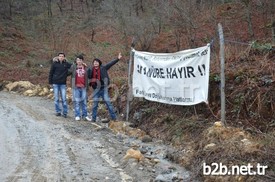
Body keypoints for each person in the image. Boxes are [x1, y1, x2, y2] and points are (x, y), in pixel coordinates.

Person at [88, 53, 122, 122]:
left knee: (108, 103)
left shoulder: (103, 68)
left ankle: (114, 118)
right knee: (95, 105)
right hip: (96, 90)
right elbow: (88, 76)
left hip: (103, 89)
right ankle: (93, 119)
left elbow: (110, 64)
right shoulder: (91, 70)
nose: (95, 63)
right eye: (94, 62)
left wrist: (117, 59)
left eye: (97, 62)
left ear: (99, 63)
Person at [48, 52, 72, 118]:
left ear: (64, 57)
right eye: (60, 56)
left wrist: (67, 74)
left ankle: (65, 112)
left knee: (64, 99)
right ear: (58, 57)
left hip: (63, 84)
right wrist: (50, 82)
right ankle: (58, 111)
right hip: (55, 83)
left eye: (62, 56)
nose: (61, 57)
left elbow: (73, 66)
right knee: (56, 99)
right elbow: (51, 73)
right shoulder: (54, 64)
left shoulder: (66, 64)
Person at [70, 55, 92, 121]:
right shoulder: (73, 67)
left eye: (80, 60)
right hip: (76, 87)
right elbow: (68, 71)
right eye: (78, 60)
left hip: (83, 87)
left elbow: (90, 75)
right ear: (76, 61)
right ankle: (77, 115)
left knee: (84, 102)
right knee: (77, 102)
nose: (79, 61)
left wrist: (88, 67)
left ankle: (85, 116)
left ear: (82, 61)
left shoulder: (85, 68)